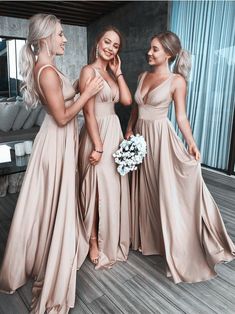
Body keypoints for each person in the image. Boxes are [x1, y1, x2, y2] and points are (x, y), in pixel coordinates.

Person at [0, 13, 103, 313]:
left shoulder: (48, 68)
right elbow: (61, 117)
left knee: (48, 201)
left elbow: (63, 105)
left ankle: (45, 247)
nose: (65, 39)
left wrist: (78, 93)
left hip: (59, 140)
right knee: (50, 199)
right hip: (55, 140)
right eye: (60, 34)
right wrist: (87, 93)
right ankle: (47, 254)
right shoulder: (45, 71)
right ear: (45, 38)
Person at [126, 31, 235, 283]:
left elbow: (182, 118)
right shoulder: (143, 76)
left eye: (155, 49)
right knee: (145, 188)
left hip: (161, 139)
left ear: (169, 54)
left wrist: (192, 144)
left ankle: (183, 240)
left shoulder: (177, 81)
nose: (149, 53)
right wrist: (130, 129)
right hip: (140, 139)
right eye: (150, 48)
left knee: (166, 189)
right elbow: (135, 107)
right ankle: (148, 239)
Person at [78, 26, 132, 269]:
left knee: (110, 189)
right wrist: (98, 146)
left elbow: (127, 101)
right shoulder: (88, 71)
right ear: (98, 43)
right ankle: (92, 240)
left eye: (116, 45)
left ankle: (107, 234)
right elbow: (87, 112)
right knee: (96, 190)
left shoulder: (110, 72)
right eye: (107, 42)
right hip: (96, 134)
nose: (110, 48)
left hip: (114, 133)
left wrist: (118, 73)